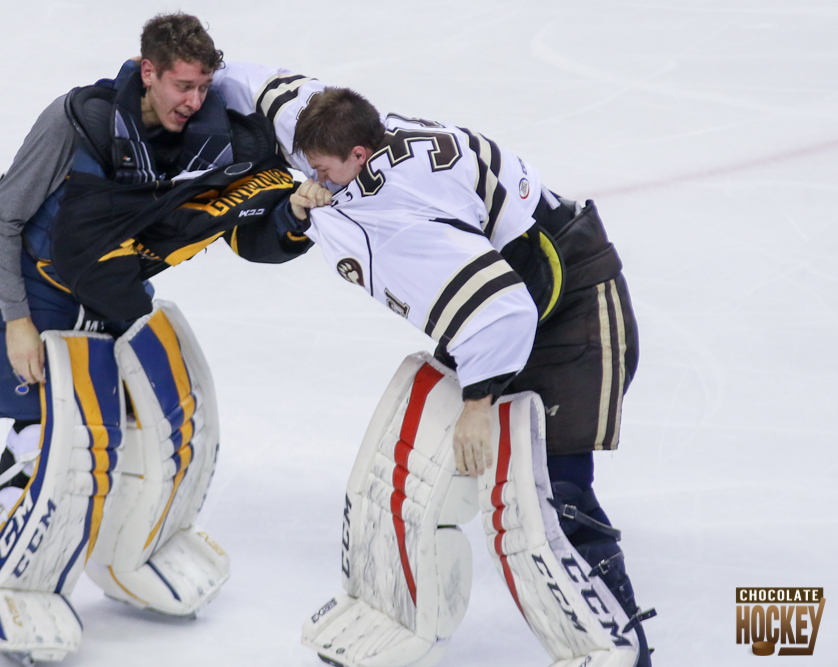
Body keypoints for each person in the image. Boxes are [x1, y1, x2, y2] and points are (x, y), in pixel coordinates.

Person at [212, 63, 654, 666]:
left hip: (567, 300)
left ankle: (618, 644)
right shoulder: (320, 122)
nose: (313, 179)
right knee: (419, 466)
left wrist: (479, 407)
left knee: (552, 489)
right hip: (500, 285)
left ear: (361, 153)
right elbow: (251, 82)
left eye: (324, 171)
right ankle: (392, 611)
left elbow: (503, 310)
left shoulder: (401, 218)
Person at [0, 16, 313, 663]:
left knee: (128, 415)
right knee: (45, 424)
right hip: (19, 280)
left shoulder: (194, 135)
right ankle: (9, 556)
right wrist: (16, 321)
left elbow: (225, 221)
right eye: (181, 85)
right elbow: (4, 216)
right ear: (147, 71)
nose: (193, 101)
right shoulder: (78, 122)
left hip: (91, 280)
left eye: (203, 87)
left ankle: (124, 549)